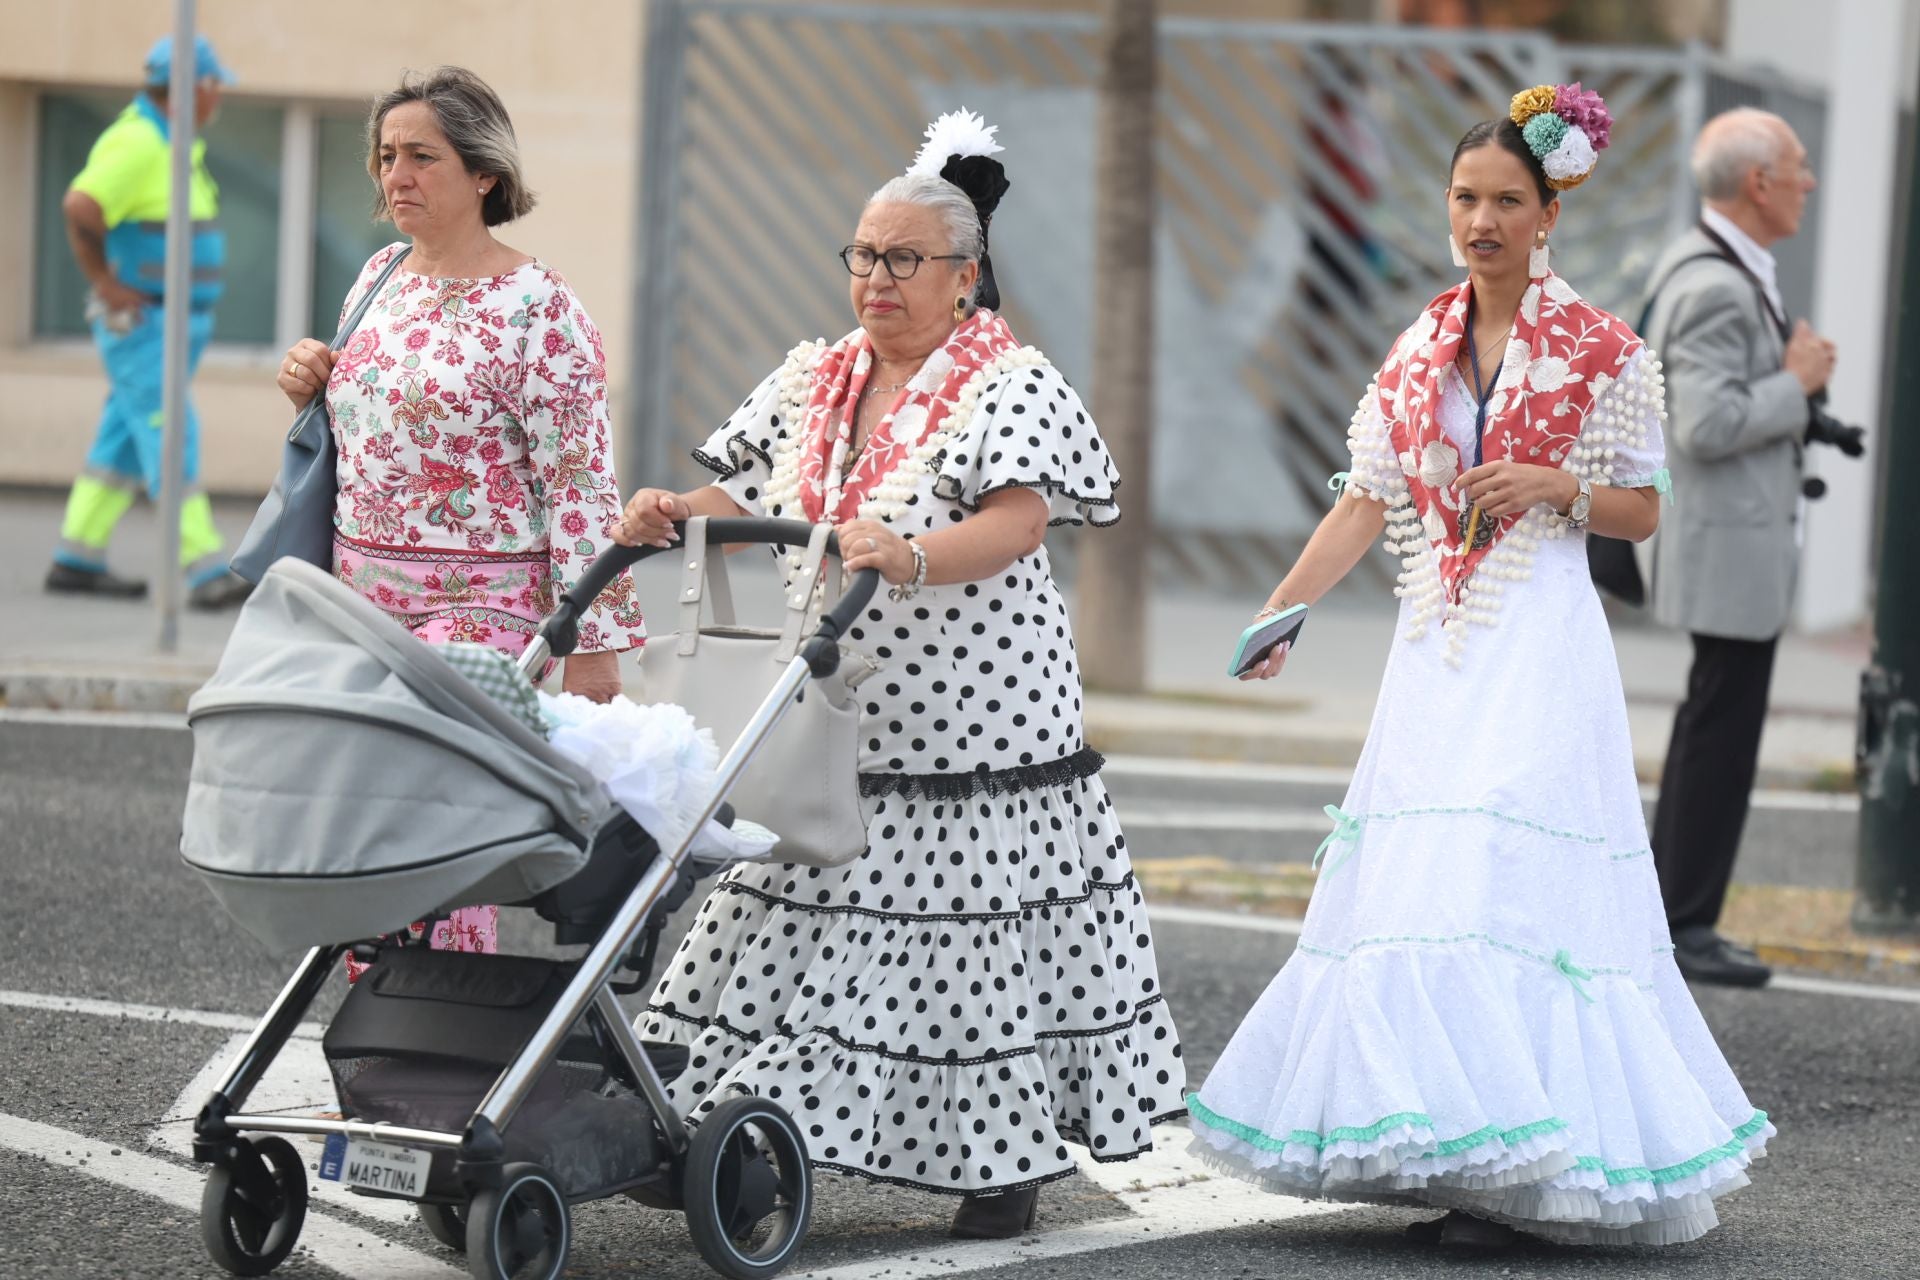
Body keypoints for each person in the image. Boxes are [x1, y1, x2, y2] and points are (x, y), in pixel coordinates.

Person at [1186, 86, 1771, 1248]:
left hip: (1541, 645)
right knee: (1427, 890)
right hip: (1437, 653)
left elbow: (1646, 511)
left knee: (1505, 881)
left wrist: (1561, 489)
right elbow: (1368, 498)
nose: (1483, 219)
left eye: (1508, 199)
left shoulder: (1604, 351)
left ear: (1549, 210)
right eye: (1466, 198)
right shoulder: (1419, 346)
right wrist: (1283, 609)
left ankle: (1535, 1173)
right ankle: (1465, 1155)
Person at [614, 111, 1185, 1240]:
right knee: (801, 900)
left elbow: (1021, 522)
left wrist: (912, 551)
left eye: (904, 259)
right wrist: (679, 512)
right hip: (834, 695)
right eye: (864, 256)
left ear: (965, 276)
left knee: (968, 934)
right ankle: (737, 1117)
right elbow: (752, 495)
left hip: (978, 718)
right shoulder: (815, 375)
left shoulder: (1008, 381)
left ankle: (999, 1159)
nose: (877, 278)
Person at [278, 67, 643, 969]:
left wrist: (593, 642)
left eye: (420, 157)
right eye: (385, 156)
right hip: (361, 603)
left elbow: (583, 484)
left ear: (483, 172)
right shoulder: (378, 277)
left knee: (437, 829)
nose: (394, 175)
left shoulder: (541, 309)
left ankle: (437, 1039)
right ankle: (382, 1044)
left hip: (484, 618)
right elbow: (374, 422)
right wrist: (310, 378)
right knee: (366, 833)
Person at [1644, 109, 1837, 988]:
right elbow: (1708, 421)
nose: (1808, 181)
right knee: (1717, 734)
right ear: (1758, 182)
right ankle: (1683, 922)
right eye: (1797, 167)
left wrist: (1796, 392)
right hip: (1725, 550)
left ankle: (1674, 915)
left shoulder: (1719, 263)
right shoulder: (1715, 283)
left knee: (1710, 726)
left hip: (1731, 545)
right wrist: (1794, 385)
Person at [45, 34, 252, 608]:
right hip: (143, 324)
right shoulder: (139, 142)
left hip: (168, 325)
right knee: (171, 434)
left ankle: (76, 557)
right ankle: (204, 568)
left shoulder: (169, 141)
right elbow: (79, 204)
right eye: (215, 89)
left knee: (122, 441)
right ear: (193, 89)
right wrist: (104, 284)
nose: (219, 100)